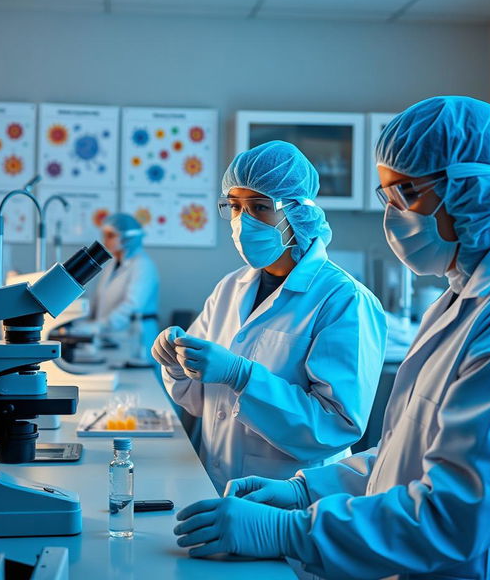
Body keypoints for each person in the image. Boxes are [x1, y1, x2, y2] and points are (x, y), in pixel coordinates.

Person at [172, 97, 490, 580]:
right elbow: (403, 453)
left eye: (407, 193)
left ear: (473, 188)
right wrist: (306, 490)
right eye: (387, 195)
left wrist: (289, 531)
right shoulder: (463, 299)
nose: (393, 214)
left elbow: (452, 514)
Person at [153, 140, 387, 492]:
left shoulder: (343, 299)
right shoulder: (231, 288)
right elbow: (202, 403)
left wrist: (241, 375)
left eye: (260, 207)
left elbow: (335, 427)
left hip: (292, 496)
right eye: (234, 206)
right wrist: (176, 365)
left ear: (296, 211)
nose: (242, 222)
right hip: (214, 482)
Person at [86, 212, 160, 364]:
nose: (105, 241)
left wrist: (100, 326)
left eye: (111, 235)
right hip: (115, 337)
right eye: (104, 235)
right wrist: (87, 323)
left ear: (128, 238)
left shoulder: (143, 266)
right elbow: (100, 300)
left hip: (138, 338)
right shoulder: (113, 265)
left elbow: (131, 306)